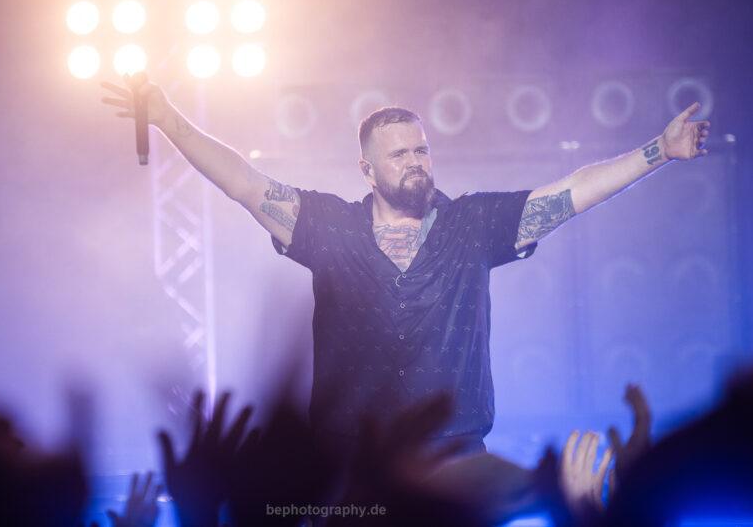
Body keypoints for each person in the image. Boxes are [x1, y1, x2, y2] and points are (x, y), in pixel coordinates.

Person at [101, 78, 710, 455]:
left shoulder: (473, 224)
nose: (415, 161)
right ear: (367, 170)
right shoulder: (328, 227)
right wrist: (169, 121)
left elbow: (571, 193)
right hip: (350, 463)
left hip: (455, 454)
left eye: (421, 149)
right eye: (398, 154)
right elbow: (243, 183)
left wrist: (659, 151)